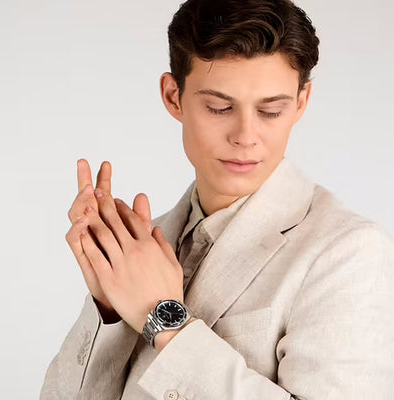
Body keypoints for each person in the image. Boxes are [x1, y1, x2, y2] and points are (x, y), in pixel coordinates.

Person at [40, 0, 394, 399]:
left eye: (271, 111)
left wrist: (164, 321)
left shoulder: (350, 252)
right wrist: (109, 308)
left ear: (300, 103)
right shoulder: (144, 246)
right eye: (219, 107)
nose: (245, 136)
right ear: (173, 96)